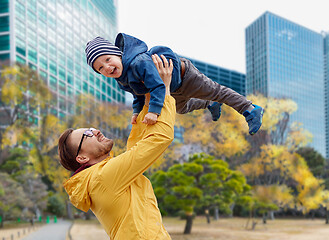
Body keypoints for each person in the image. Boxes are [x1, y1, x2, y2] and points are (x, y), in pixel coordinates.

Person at [58, 55, 175, 239]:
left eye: (90, 128)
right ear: (82, 158)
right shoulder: (103, 177)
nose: (95, 130)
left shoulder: (103, 177)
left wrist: (147, 104)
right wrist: (165, 91)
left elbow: (136, 149)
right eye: (87, 134)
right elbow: (159, 138)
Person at [85, 33, 264, 135]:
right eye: (100, 68)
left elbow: (157, 87)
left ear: (118, 54)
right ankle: (210, 104)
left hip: (185, 77)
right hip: (172, 89)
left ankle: (250, 108)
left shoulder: (139, 62)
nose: (107, 67)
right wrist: (136, 111)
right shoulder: (121, 79)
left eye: (108, 59)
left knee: (216, 91)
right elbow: (138, 94)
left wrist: (154, 112)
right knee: (181, 109)